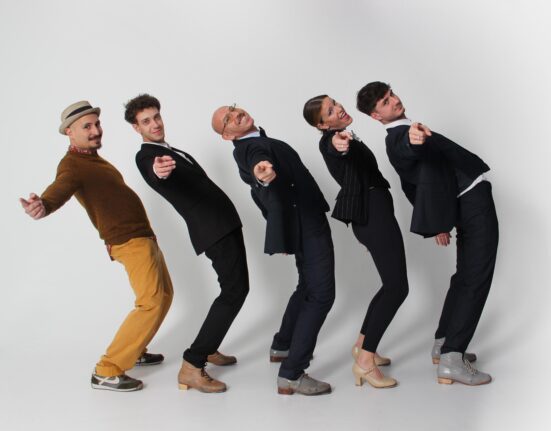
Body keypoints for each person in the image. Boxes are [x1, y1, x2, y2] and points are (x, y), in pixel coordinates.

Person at [19, 101, 173, 392]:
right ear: (69, 132)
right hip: (128, 240)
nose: (96, 130)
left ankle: (134, 348)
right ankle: (107, 370)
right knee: (151, 301)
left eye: (97, 124)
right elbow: (61, 187)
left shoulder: (96, 160)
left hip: (143, 237)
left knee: (164, 295)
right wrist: (44, 204)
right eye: (87, 126)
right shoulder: (72, 165)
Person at [357, 82, 498, 386]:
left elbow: (417, 181)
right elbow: (410, 148)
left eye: (391, 94)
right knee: (476, 276)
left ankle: (444, 342)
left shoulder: (403, 128)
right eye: (385, 102)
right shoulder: (400, 137)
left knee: (465, 275)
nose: (394, 101)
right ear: (376, 116)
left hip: (465, 201)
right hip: (472, 201)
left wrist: (439, 223)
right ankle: (452, 358)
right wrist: (415, 140)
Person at [124, 94, 249, 393]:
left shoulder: (170, 149)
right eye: (146, 121)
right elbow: (155, 172)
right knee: (235, 291)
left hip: (224, 224)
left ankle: (208, 346)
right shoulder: (148, 156)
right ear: (136, 128)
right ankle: (193, 364)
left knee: (233, 289)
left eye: (156, 117)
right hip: (214, 230)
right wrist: (158, 171)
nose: (155, 124)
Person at [211, 104, 335, 396]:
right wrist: (260, 173)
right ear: (228, 135)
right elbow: (258, 166)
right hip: (306, 223)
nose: (236, 114)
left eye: (234, 109)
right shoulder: (250, 149)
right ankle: (292, 374)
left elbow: (261, 182)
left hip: (302, 221)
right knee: (321, 295)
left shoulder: (258, 140)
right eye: (228, 119)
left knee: (307, 286)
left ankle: (282, 345)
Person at [303, 95, 409, 388]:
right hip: (372, 215)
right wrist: (339, 143)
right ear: (322, 125)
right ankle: (364, 361)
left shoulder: (342, 134)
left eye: (335, 103)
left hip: (373, 214)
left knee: (390, 285)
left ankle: (362, 344)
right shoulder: (333, 139)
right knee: (397, 288)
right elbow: (336, 148)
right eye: (330, 111)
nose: (339, 109)